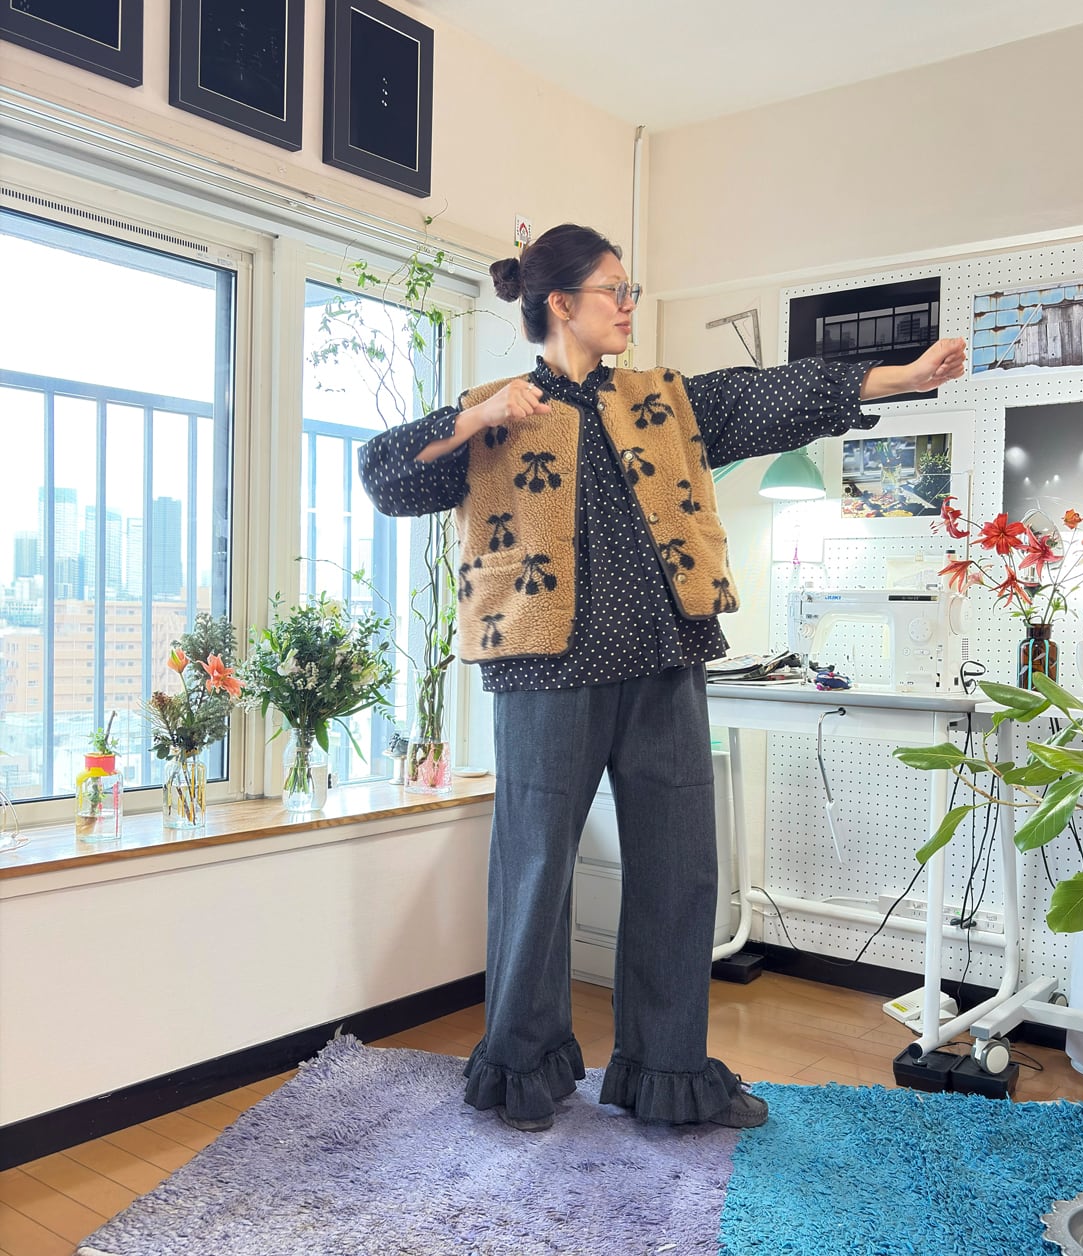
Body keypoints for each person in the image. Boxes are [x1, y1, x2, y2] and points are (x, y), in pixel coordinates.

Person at [358, 223, 966, 1134]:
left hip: (665, 659)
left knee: (680, 871)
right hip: (544, 670)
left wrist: (901, 377)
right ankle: (522, 1067)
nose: (629, 303)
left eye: (630, 288)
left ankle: (668, 1072)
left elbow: (769, 395)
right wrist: (476, 419)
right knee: (536, 870)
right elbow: (384, 477)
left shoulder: (663, 398)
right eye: (615, 289)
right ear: (561, 303)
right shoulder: (494, 410)